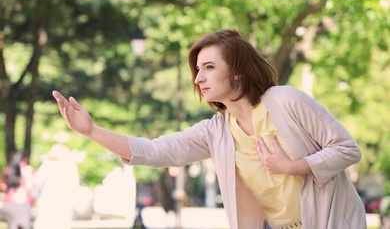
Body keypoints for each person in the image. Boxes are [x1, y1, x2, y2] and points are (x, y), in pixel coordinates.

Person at [52, 29, 366, 229]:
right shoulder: (217, 131)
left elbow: (347, 149)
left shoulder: (285, 101)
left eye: (209, 67)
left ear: (239, 73)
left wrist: (292, 166)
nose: (198, 78)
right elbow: (157, 150)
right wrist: (92, 131)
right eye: (198, 69)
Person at [33, 143, 80, 229]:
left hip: (48, 201)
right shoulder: (71, 166)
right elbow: (75, 185)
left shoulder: (47, 165)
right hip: (65, 202)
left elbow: (36, 182)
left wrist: (35, 197)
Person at [0, 150, 35, 229]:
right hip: (23, 204)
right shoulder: (27, 169)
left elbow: (3, 187)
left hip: (8, 203)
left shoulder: (8, 169)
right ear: (25, 158)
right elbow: (30, 187)